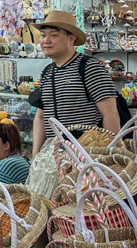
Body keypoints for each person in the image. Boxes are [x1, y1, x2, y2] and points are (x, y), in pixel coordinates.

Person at [30, 10, 120, 155]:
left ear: (71, 39)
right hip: (56, 154)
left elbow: (110, 114)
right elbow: (41, 116)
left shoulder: (89, 67)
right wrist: (36, 155)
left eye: (54, 35)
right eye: (43, 35)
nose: (46, 41)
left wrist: (109, 153)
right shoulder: (47, 72)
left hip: (86, 152)